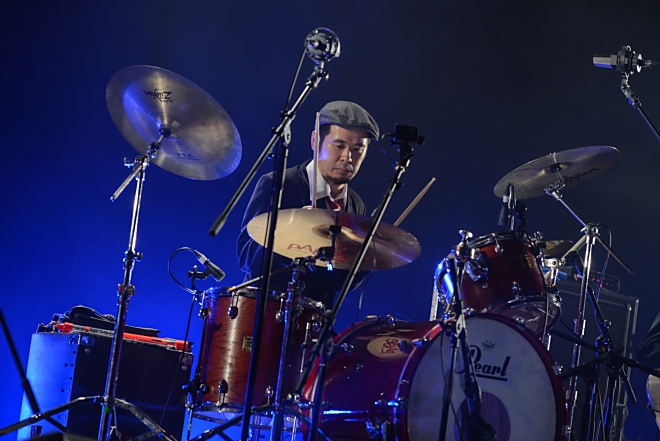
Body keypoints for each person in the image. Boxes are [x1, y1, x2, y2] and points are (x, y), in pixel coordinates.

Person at [237, 100, 379, 309]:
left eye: (358, 149)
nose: (347, 157)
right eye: (339, 146)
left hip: (313, 321)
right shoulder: (280, 184)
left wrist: (368, 257)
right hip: (264, 314)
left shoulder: (355, 204)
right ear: (315, 141)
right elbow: (246, 258)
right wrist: (292, 230)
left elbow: (339, 284)